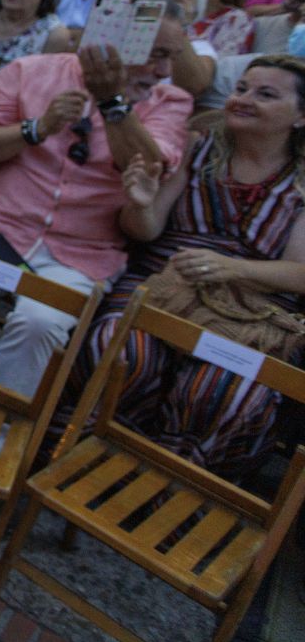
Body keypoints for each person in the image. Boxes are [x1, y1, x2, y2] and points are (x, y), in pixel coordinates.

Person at [0, 8, 195, 396]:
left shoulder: (169, 101)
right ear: (117, 42)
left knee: (40, 323)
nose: (164, 70)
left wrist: (113, 103)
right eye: (156, 54)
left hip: (80, 254)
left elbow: (150, 166)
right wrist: (36, 129)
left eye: (172, 57)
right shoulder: (32, 70)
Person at [53, 57, 305, 479]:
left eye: (265, 94)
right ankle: (77, 462)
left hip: (249, 312)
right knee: (120, 351)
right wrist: (139, 203)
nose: (244, 99)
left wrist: (233, 269)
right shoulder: (199, 146)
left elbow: (300, 273)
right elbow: (146, 230)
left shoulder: (300, 182)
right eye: (241, 88)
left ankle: (161, 488)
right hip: (165, 285)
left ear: (300, 116)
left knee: (226, 394)